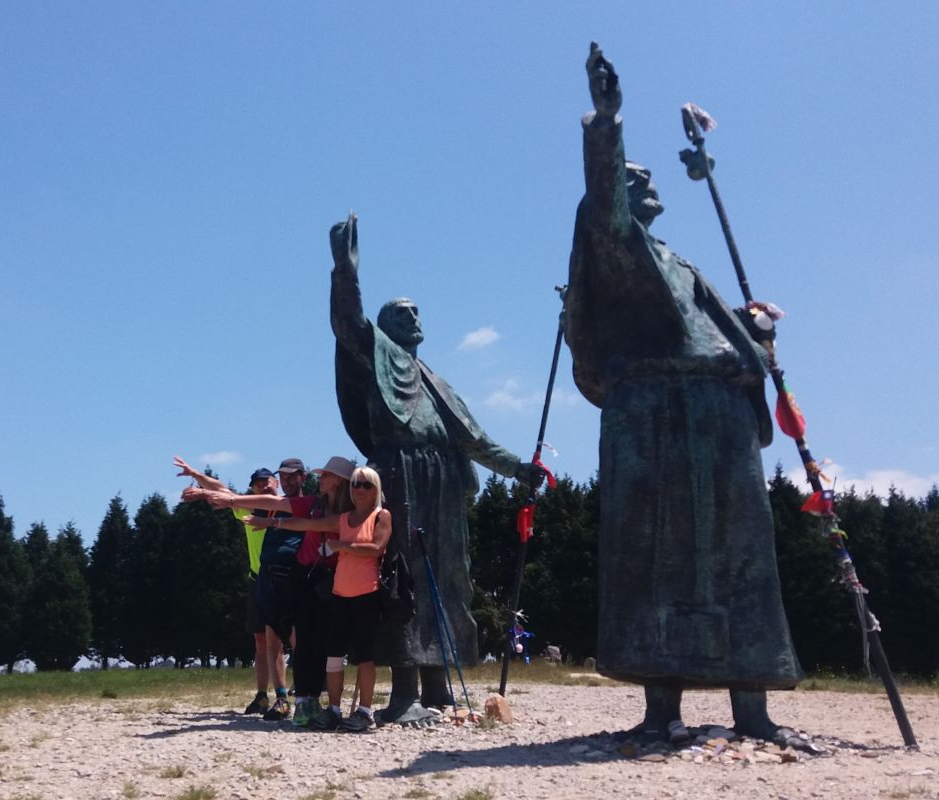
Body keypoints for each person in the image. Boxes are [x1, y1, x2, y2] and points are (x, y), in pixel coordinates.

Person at [563, 43, 803, 744]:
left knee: (743, 555)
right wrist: (608, 125)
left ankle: (753, 711)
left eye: (639, 176)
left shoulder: (681, 262)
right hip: (657, 413)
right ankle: (661, 712)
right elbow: (605, 207)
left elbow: (724, 329)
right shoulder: (616, 247)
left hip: (719, 410)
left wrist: (753, 348)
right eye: (633, 179)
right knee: (657, 553)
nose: (646, 182)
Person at [329, 214, 546, 726]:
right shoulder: (375, 355)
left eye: (416, 311)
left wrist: (516, 467)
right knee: (403, 576)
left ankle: (437, 686)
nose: (413, 316)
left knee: (447, 578)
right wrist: (345, 271)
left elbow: (471, 436)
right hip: (400, 474)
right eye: (401, 313)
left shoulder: (436, 381)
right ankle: (404, 692)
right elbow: (347, 325)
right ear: (385, 327)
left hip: (442, 480)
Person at [186, 455, 357, 728]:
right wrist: (226, 499)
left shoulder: (349, 512)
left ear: (338, 481)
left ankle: (329, 707)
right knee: (297, 642)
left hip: (336, 582)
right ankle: (304, 703)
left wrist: (272, 523)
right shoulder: (312, 504)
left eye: (325, 475)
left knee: (324, 646)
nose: (319, 478)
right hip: (301, 582)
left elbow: (321, 525)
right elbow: (276, 505)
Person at [246, 465, 391, 732]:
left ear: (375, 490)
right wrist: (270, 522)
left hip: (366, 593)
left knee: (363, 655)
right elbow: (307, 523)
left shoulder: (381, 516)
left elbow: (376, 548)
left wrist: (339, 546)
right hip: (337, 591)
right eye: (356, 484)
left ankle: (364, 711)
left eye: (366, 485)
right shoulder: (342, 516)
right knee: (330, 652)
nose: (359, 489)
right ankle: (331, 709)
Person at [174, 456, 295, 719]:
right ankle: (263, 696)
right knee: (261, 640)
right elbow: (221, 489)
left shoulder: (287, 506)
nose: (263, 486)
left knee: (290, 636)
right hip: (257, 578)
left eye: (267, 481)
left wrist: (202, 488)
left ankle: (294, 693)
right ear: (252, 489)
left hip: (285, 579)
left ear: (276, 482)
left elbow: (219, 492)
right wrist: (194, 472)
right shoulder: (246, 509)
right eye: (257, 484)